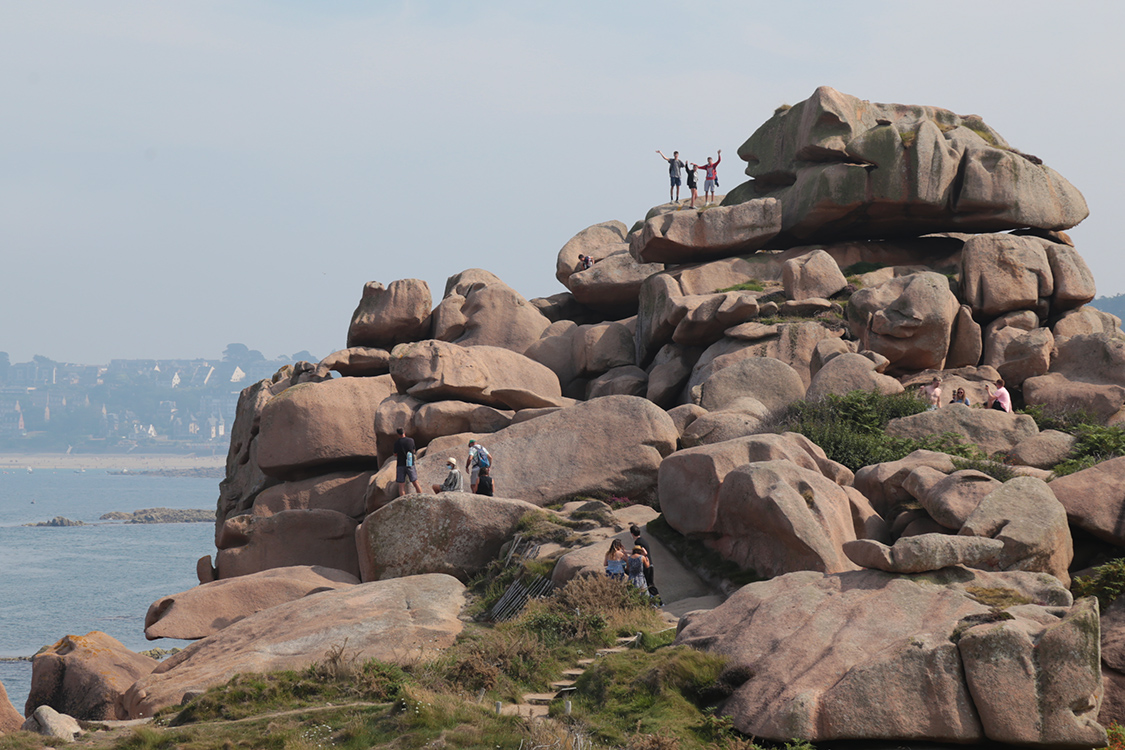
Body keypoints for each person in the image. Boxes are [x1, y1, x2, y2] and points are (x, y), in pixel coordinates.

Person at [393, 427, 422, 497]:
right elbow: (414, 451)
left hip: (400, 464)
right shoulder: (411, 440)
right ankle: (421, 496)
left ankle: (403, 499)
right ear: (404, 432)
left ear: (398, 434)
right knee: (415, 482)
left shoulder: (396, 443)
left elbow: (395, 454)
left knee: (401, 484)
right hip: (410, 463)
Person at [629, 524, 655, 592]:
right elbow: (636, 551)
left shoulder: (637, 542)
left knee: (649, 585)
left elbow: (642, 551)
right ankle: (656, 601)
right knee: (650, 584)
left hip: (646, 565)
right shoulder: (643, 540)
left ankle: (659, 602)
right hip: (650, 564)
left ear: (632, 534)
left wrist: (643, 555)